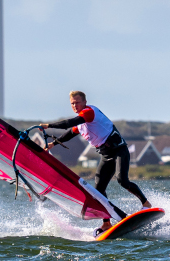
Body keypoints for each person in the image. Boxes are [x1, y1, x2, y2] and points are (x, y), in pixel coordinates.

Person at [38, 91, 152, 236]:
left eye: (77, 102)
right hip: (106, 155)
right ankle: (106, 223)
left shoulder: (88, 112)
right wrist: (53, 144)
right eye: (72, 103)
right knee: (98, 192)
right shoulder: (80, 123)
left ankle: (145, 204)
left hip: (119, 150)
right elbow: (70, 133)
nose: (75, 105)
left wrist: (49, 125)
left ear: (84, 102)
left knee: (122, 180)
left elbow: (70, 123)